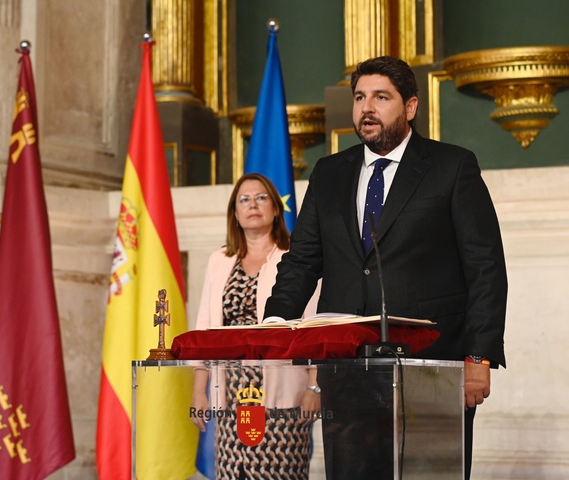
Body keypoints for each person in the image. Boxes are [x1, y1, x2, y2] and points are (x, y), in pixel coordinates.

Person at [263, 56, 508, 479]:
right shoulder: (329, 172)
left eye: (381, 97)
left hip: (432, 365)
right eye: (359, 97)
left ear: (410, 107)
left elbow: (485, 267)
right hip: (348, 367)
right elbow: (303, 259)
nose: (366, 108)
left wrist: (479, 357)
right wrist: (274, 322)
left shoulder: (451, 166)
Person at [191, 173, 320, 480]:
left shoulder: (296, 260)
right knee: (234, 472)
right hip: (231, 390)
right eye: (244, 199)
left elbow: (314, 327)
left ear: (276, 209)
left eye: (261, 198)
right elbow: (205, 327)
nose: (253, 204)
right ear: (234, 213)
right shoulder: (219, 261)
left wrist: (315, 386)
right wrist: (199, 390)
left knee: (279, 473)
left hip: (284, 390)